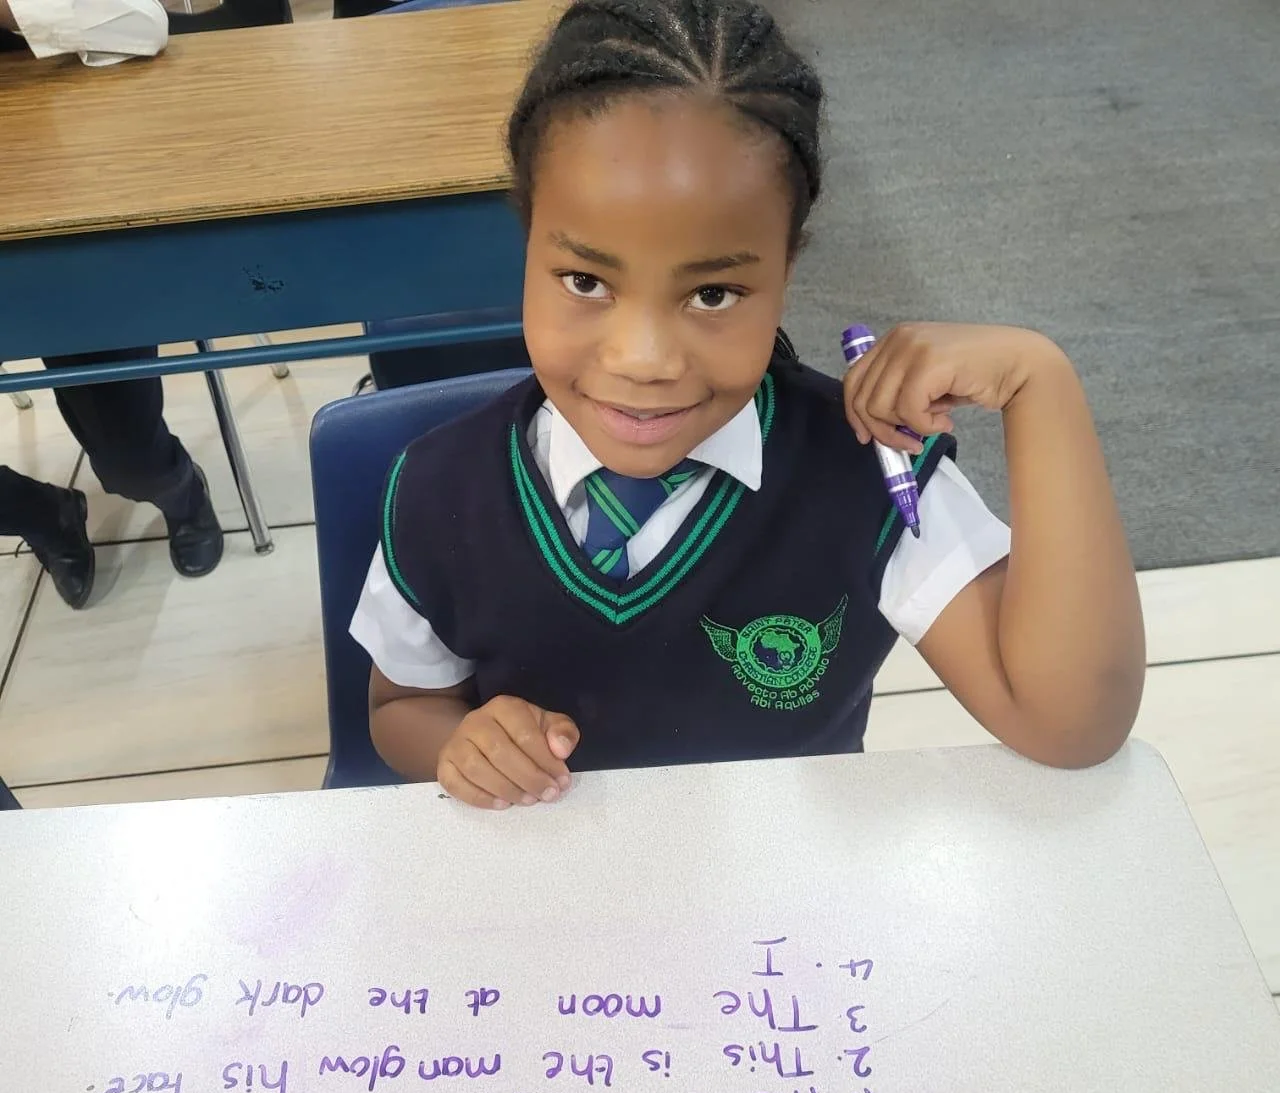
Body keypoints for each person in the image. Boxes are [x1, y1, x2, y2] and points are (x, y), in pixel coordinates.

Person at [350, 0, 1146, 809]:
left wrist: (1040, 384)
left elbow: (1073, 725)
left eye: (714, 293)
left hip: (789, 884)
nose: (644, 361)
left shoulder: (871, 473)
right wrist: (461, 747)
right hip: (549, 879)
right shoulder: (438, 489)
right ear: (528, 239)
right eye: (585, 281)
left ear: (785, 268)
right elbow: (400, 707)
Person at [1, 0, 224, 609]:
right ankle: (42, 513)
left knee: (131, 465)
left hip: (57, 226)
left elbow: (142, 23)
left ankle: (179, 490)